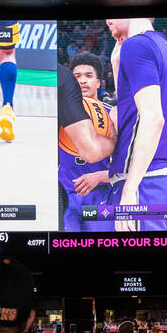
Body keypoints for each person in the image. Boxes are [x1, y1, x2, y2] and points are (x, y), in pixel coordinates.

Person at [105, 18, 167, 231]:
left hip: (142, 183)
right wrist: (117, 65)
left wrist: (129, 189)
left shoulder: (137, 45)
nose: (107, 20)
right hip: (159, 181)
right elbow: (132, 113)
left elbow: (152, 119)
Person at [60, 52, 113, 232]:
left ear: (98, 82)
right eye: (77, 76)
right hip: (66, 195)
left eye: (88, 76)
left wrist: (100, 176)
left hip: (102, 194)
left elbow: (129, 165)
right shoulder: (60, 113)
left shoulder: (112, 115)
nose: (82, 81)